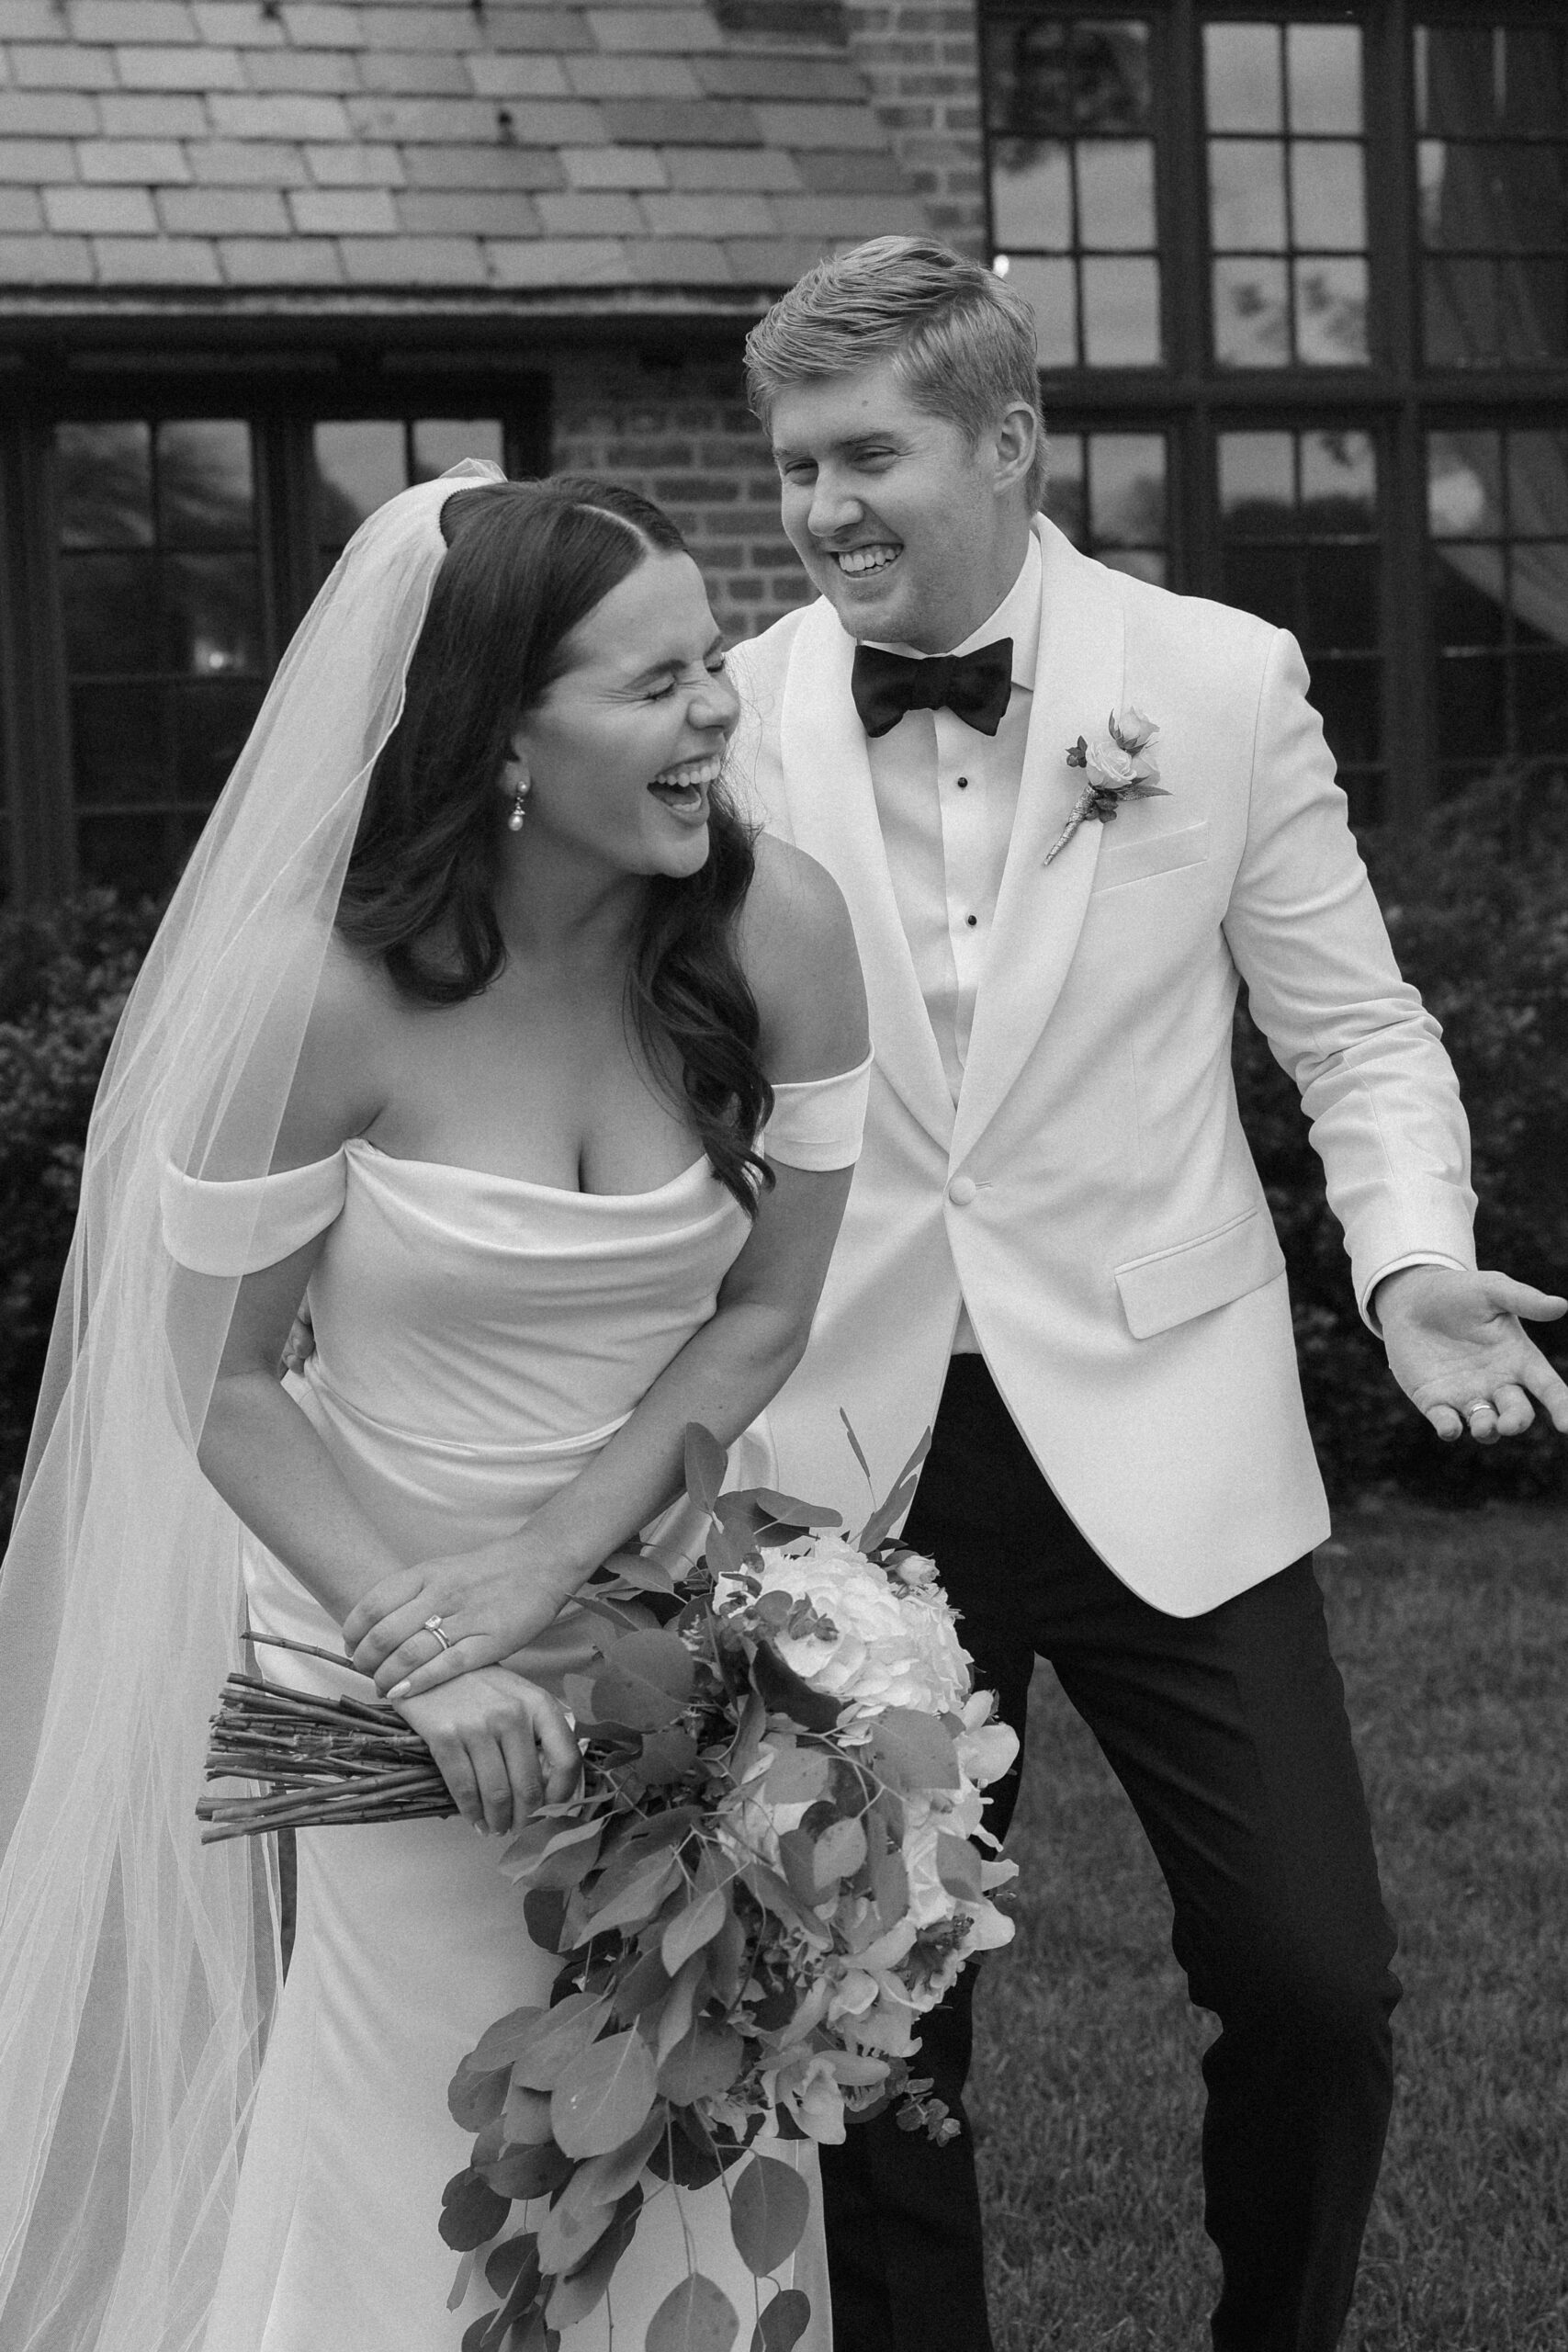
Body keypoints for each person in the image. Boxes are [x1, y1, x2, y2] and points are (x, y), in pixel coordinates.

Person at [717, 237, 1568, 2352]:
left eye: (864, 454)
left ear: (1007, 444)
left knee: (1312, 1979)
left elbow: (1354, 1034)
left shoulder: (1210, 677)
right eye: (794, 464)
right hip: (847, 1459)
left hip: (1167, 1413)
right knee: (874, 2012)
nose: (820, 507)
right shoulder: (731, 714)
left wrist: (1408, 1264)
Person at [0, 466, 869, 2352]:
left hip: (661, 1651)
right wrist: (432, 1653)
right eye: (647, 685)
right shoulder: (313, 998)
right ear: (497, 736)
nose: (713, 712)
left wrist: (553, 1567)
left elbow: (763, 1312)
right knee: (423, 2176)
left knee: (698, 2162)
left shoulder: (774, 927)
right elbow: (211, 1376)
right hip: (373, 1647)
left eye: (707, 662)